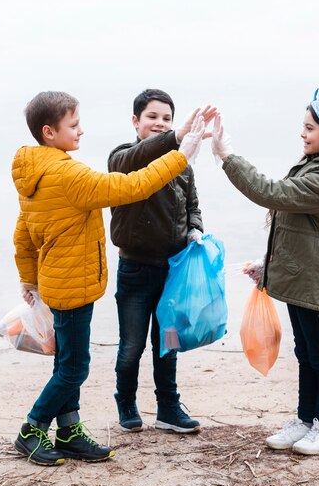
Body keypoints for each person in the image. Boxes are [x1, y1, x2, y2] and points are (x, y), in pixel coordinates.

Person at [12, 91, 205, 466]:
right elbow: (131, 186)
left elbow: (22, 232)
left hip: (58, 280)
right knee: (75, 367)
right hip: (74, 284)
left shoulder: (37, 174)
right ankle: (31, 428)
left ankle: (68, 430)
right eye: (74, 125)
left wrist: (29, 278)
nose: (81, 131)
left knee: (65, 362)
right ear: (50, 132)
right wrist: (181, 153)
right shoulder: (68, 173)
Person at [212, 91, 319, 455]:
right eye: (302, 126)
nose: (303, 134)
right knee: (306, 351)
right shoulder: (316, 164)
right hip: (304, 271)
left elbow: (272, 193)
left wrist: (227, 156)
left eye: (310, 127)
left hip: (315, 276)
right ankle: (305, 420)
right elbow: (294, 227)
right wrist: (266, 264)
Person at [108, 89, 216, 434]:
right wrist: (176, 137)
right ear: (136, 121)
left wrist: (195, 230)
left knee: (168, 343)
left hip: (175, 273)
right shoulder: (122, 158)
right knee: (131, 347)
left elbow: (193, 207)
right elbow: (129, 163)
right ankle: (126, 400)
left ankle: (168, 407)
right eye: (153, 117)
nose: (160, 124)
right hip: (136, 271)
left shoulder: (182, 165)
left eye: (166, 118)